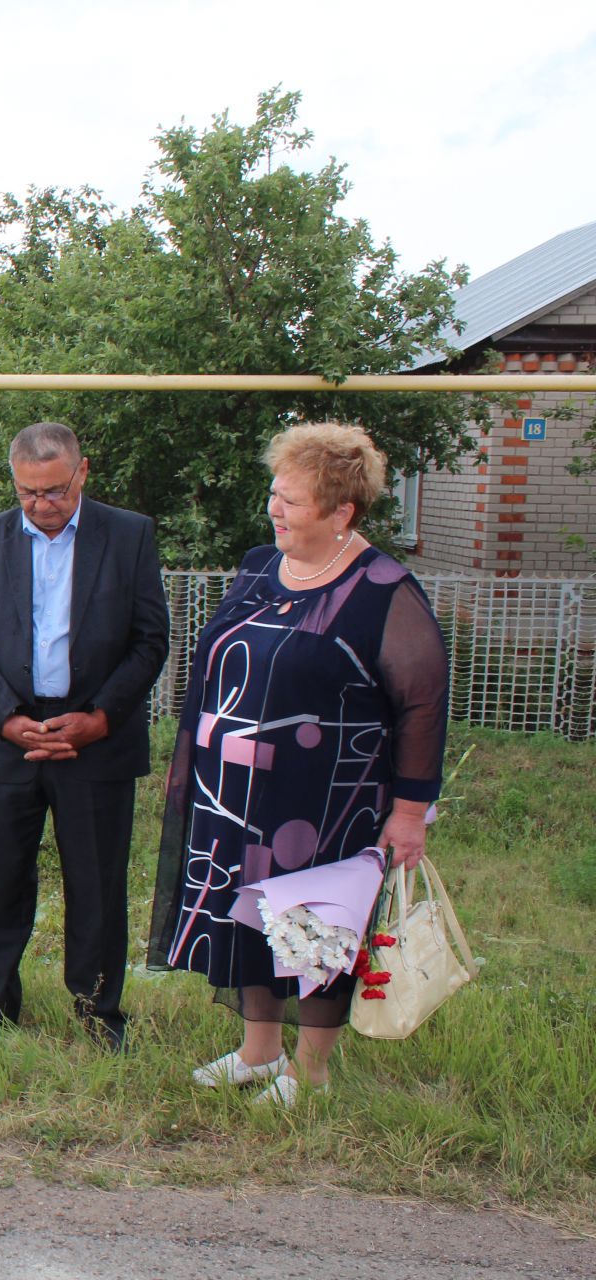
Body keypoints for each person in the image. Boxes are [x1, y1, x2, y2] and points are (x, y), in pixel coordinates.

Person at [148, 422, 448, 1105]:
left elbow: (424, 702)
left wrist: (408, 810)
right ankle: (259, 1051)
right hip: (239, 792)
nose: (273, 509)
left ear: (342, 511)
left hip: (326, 799)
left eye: (291, 500)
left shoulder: (382, 589)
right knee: (250, 914)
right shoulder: (260, 565)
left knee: (315, 927)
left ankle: (308, 1072)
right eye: (274, 494)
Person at [0, 422, 170, 1050]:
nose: (42, 506)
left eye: (54, 492)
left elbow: (150, 639)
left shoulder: (129, 536)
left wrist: (101, 717)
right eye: (27, 493)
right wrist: (7, 719)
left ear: (82, 473)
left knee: (98, 884)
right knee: (1, 878)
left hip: (96, 739)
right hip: (10, 737)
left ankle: (99, 1012)